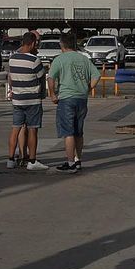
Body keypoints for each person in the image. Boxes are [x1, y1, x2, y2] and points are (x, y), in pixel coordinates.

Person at [48, 33, 100, 173]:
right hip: (81, 99)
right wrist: (88, 88)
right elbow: (96, 75)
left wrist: (52, 94)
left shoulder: (59, 59)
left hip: (66, 98)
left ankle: (70, 163)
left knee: (68, 132)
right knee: (78, 132)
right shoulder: (83, 59)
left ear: (61, 44)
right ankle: (78, 160)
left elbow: (51, 78)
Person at [6, 32, 49, 171]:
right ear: (32, 44)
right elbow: (41, 76)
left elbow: (11, 78)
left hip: (17, 100)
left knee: (15, 129)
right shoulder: (34, 60)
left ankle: (10, 159)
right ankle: (32, 160)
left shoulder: (12, 59)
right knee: (32, 130)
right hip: (32, 100)